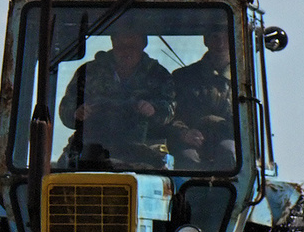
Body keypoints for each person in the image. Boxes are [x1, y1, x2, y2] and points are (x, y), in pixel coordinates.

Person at [57, 29, 174, 168]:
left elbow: (170, 110)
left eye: (132, 47)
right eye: (121, 47)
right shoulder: (89, 71)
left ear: (143, 45)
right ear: (113, 43)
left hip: (143, 152)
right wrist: (77, 113)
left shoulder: (158, 74)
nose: (126, 52)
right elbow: (67, 108)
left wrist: (153, 109)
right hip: (91, 150)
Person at [168, 31, 235, 168]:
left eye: (226, 38)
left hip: (230, 143)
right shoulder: (183, 77)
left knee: (229, 152)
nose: (220, 44)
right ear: (206, 40)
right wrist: (183, 133)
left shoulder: (245, 80)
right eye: (215, 36)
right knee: (187, 159)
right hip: (190, 143)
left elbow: (250, 124)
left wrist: (219, 125)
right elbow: (169, 114)